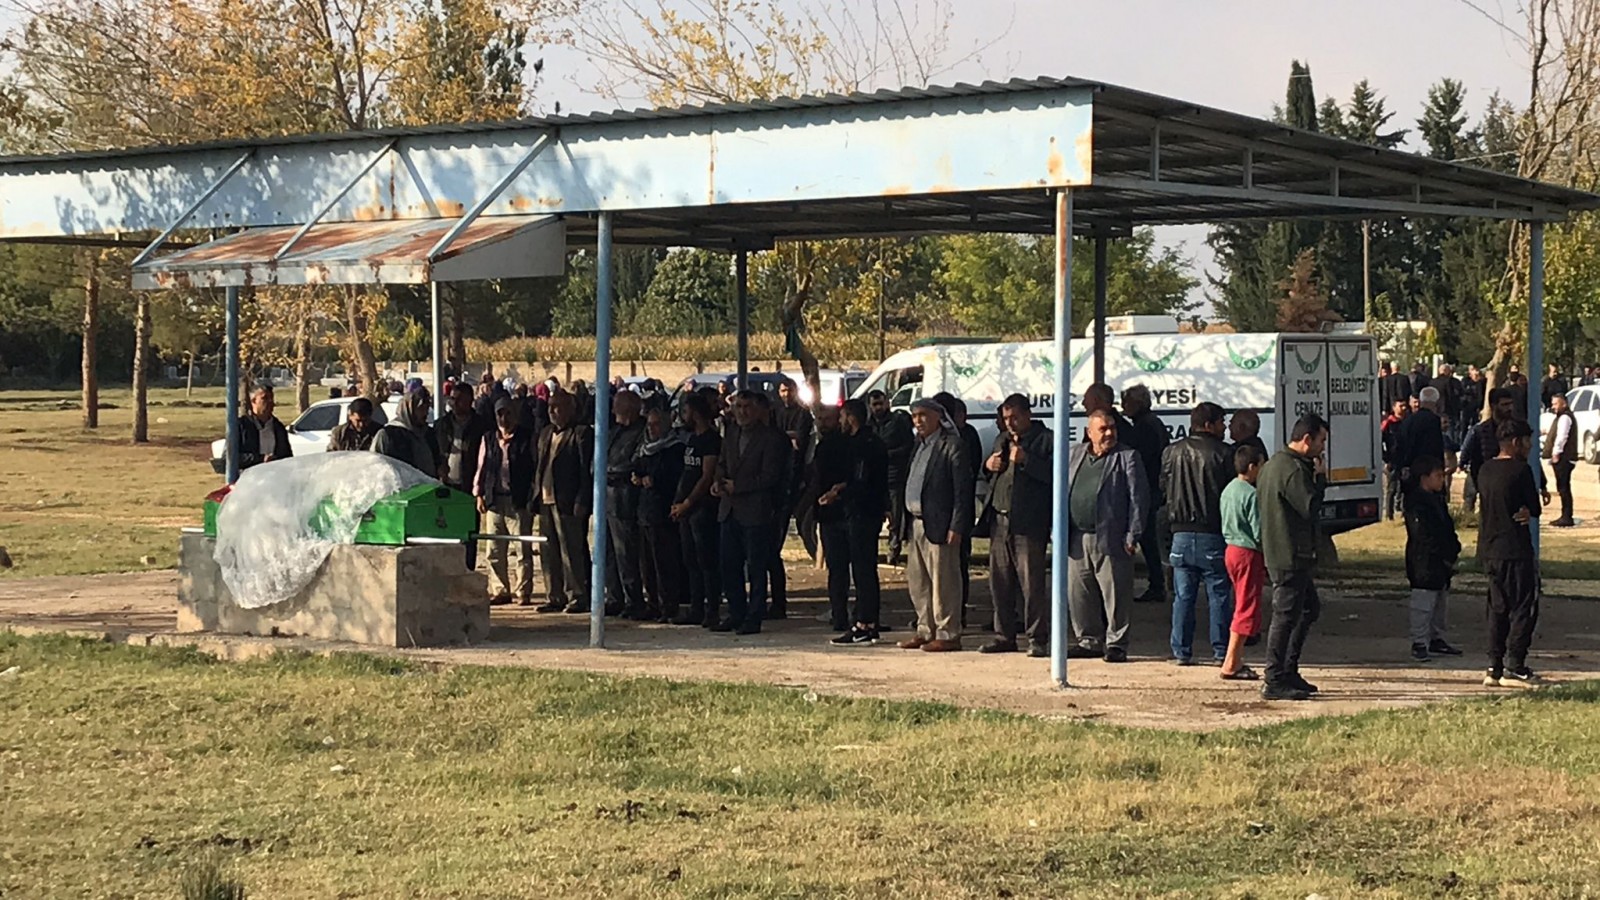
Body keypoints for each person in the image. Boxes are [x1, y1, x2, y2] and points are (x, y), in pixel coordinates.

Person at [1064, 409, 1148, 662]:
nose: (1109, 432)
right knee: (1079, 593)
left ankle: (1116, 643)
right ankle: (1088, 641)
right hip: (1077, 537)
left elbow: (1138, 499)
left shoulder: (1127, 457)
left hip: (1112, 537)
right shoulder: (1074, 454)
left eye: (1112, 427)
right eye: (1103, 429)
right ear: (1089, 432)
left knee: (1116, 594)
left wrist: (1133, 534)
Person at [1257, 412, 1329, 702]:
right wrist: (1320, 479)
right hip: (1289, 553)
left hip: (1285, 551)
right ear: (1306, 439)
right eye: (1321, 441)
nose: (1323, 447)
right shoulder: (1292, 470)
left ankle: (1289, 669)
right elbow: (1310, 507)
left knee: (1309, 609)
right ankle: (1274, 677)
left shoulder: (1274, 464)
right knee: (1285, 616)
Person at [977, 394, 1054, 657]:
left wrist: (1027, 461)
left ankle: (1037, 638)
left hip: (1029, 523)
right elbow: (990, 473)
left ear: (1028, 415)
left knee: (1031, 584)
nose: (1010, 423)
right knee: (999, 582)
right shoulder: (1002, 440)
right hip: (1000, 520)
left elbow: (1055, 476)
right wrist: (989, 466)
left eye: (1015, 417)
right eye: (1006, 418)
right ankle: (1004, 635)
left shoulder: (1047, 440)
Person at [895, 398, 974, 653]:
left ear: (938, 417)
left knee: (944, 581)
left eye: (923, 415)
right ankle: (925, 629)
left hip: (941, 524)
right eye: (914, 415)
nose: (918, 420)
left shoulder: (952, 445)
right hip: (916, 523)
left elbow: (963, 490)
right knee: (919, 582)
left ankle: (948, 633)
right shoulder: (918, 446)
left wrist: (957, 525)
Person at [1161, 402, 1235, 666]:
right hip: (1212, 532)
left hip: (1180, 532)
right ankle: (1220, 650)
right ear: (1208, 424)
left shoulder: (1172, 452)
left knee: (1183, 597)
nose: (1225, 427)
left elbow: (1164, 487)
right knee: (1218, 595)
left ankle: (1181, 650)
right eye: (1221, 422)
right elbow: (1229, 494)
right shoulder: (1224, 454)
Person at [713, 391, 791, 635]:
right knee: (729, 565)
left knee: (757, 567)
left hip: (756, 511)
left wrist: (740, 487)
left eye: (747, 407)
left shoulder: (770, 439)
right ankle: (736, 613)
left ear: (757, 410)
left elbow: (770, 476)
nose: (742, 412)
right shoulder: (731, 433)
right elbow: (722, 463)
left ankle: (754, 616)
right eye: (738, 406)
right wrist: (718, 482)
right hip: (729, 510)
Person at [1477, 419, 1545, 688]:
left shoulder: (1485, 469)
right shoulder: (1520, 470)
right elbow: (1535, 507)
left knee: (1497, 608)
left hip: (1490, 548)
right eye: (1527, 441)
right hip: (1515, 548)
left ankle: (1493, 665)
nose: (1529, 447)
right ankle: (1515, 664)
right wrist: (1529, 511)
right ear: (1515, 442)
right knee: (1523, 607)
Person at [827, 399, 889, 645]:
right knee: (864, 568)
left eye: (842, 417)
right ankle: (867, 620)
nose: (840, 422)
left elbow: (863, 481)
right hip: (865, 510)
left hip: (863, 512)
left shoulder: (864, 444)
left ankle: (865, 622)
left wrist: (840, 492)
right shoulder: (871, 441)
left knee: (863, 570)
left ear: (851, 417)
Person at [533, 389, 595, 614]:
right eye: (549, 406)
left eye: (557, 406)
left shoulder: (581, 433)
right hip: (546, 499)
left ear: (571, 409)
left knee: (572, 550)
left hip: (568, 501)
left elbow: (585, 470)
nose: (552, 411)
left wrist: (582, 499)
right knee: (549, 550)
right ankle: (554, 595)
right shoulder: (545, 433)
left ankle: (577, 595)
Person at [474, 397, 538, 606]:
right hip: (495, 500)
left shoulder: (527, 437)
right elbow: (481, 467)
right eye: (500, 414)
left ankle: (523, 592)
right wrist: (479, 493)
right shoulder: (488, 438)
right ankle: (500, 590)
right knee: (494, 550)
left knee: (522, 549)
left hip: (518, 501)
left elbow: (534, 468)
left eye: (508, 413)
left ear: (515, 414)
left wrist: (531, 496)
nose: (504, 418)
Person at [669, 393, 723, 627]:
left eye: (687, 411)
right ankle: (696, 607)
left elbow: (706, 475)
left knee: (706, 561)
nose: (684, 416)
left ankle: (712, 609)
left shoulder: (710, 440)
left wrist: (689, 502)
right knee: (690, 561)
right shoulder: (692, 439)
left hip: (702, 509)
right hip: (686, 510)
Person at [1404, 455, 1462, 662]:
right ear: (1424, 478)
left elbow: (1446, 526)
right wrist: (1440, 551)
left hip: (1441, 561)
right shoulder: (1416, 502)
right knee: (1423, 603)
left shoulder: (1437, 499)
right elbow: (1423, 534)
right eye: (1437, 476)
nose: (1441, 480)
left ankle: (1436, 638)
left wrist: (1453, 548)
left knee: (1440, 602)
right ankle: (1419, 641)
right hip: (1424, 561)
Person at [633, 407, 687, 623]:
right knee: (647, 564)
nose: (652, 429)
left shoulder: (675, 448)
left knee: (664, 562)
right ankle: (653, 602)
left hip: (663, 512)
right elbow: (636, 466)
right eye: (649, 424)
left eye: (656, 424)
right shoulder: (646, 448)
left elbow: (673, 477)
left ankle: (669, 605)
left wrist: (654, 480)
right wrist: (638, 478)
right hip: (645, 512)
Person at [933, 391, 983, 627]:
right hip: (935, 512)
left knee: (957, 565)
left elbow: (965, 477)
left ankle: (957, 613)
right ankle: (936, 613)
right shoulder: (931, 439)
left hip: (956, 511)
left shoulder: (963, 438)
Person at [1219, 444, 1266, 681]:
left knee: (1239, 601)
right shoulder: (1251, 494)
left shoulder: (1228, 490)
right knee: (1246, 606)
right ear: (1252, 467)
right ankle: (1232, 660)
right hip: (1248, 552)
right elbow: (1258, 531)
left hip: (1230, 550)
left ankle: (1234, 658)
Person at [1122, 385, 1170, 607]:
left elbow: (1142, 458)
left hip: (1149, 488)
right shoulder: (1151, 423)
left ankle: (1157, 584)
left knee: (1147, 537)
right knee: (1149, 537)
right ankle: (1157, 582)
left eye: (1127, 401)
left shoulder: (1145, 427)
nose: (1123, 406)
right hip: (1153, 487)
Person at [604, 390, 651, 619]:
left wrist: (610, 471)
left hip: (624, 496)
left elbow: (634, 462)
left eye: (617, 406)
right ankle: (614, 597)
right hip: (607, 496)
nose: (613, 411)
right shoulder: (616, 431)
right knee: (608, 553)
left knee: (626, 553)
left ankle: (634, 600)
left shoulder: (641, 431)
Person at [868, 390, 914, 565]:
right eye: (875, 404)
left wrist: (886, 454)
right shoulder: (869, 425)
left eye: (881, 403)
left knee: (896, 517)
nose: (878, 408)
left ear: (887, 403)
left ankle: (894, 550)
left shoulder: (898, 422)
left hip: (895, 475)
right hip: (875, 479)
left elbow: (908, 446)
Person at [435, 382, 489, 493]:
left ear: (469, 401)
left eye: (459, 399)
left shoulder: (481, 426)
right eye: (452, 399)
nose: (454, 403)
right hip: (445, 484)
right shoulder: (441, 425)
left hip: (470, 485)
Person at [371, 388, 436, 476]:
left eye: (427, 408)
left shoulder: (428, 434)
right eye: (421, 408)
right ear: (409, 408)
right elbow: (376, 464)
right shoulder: (388, 435)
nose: (426, 412)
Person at [1393, 386, 1445, 486]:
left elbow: (1400, 445)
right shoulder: (1433, 421)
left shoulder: (1408, 420)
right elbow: (1435, 447)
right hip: (1428, 471)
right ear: (1437, 402)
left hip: (1410, 469)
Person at [237, 385, 292, 470]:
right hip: (248, 478)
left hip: (273, 477)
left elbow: (287, 457)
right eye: (265, 398)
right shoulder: (241, 425)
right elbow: (229, 458)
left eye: (271, 398)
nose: (270, 402)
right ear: (253, 401)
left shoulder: (278, 427)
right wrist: (260, 459)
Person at [1546, 392, 1578, 527]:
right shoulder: (1561, 417)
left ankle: (1566, 516)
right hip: (1564, 458)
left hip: (1564, 458)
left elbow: (1562, 437)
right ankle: (1566, 515)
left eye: (1555, 404)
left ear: (1564, 403)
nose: (1553, 407)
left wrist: (1556, 453)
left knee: (1563, 488)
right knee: (1563, 487)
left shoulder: (1565, 417)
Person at [1380, 399, 1408, 520]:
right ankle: (1389, 514)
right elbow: (1379, 440)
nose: (1403, 408)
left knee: (1405, 487)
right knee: (1391, 488)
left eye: (1404, 406)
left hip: (1405, 459)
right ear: (1394, 407)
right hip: (1392, 460)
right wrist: (1385, 458)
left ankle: (1403, 511)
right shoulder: (1388, 423)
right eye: (1400, 406)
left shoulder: (1407, 422)